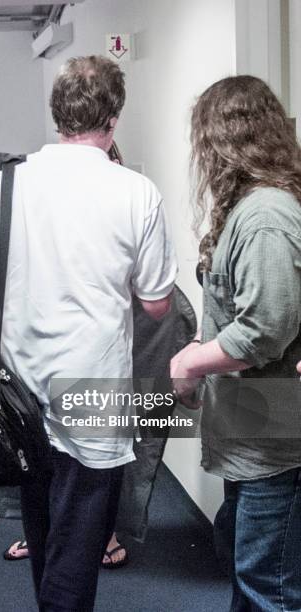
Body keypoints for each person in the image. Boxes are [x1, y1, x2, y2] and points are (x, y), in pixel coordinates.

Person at [0, 55, 177, 611]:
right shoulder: (136, 192)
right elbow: (156, 303)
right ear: (113, 118)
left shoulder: (0, 178)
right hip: (94, 389)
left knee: (42, 522)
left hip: (16, 386)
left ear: (57, 115)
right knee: (79, 542)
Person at [171, 75, 301, 611]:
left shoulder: (266, 216)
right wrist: (206, 334)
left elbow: (265, 327)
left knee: (268, 589)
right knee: (251, 576)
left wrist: (190, 361)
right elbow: (241, 308)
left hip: (275, 443)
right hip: (255, 435)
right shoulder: (252, 208)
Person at [3, 141, 129, 569]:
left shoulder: (125, 200)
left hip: (101, 364)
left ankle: (99, 537)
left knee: (95, 464)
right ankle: (48, 541)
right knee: (49, 460)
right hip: (48, 360)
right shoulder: (53, 208)